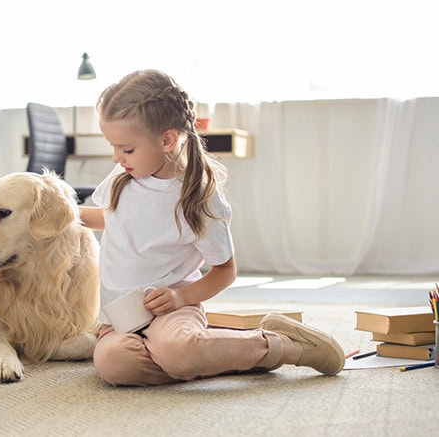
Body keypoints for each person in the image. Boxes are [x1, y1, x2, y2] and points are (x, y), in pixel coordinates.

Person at [79, 69, 345, 386]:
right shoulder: (124, 177)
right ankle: (213, 357)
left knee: (178, 351)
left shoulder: (198, 200)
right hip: (119, 319)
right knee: (115, 365)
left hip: (171, 313)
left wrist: (180, 298)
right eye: (113, 146)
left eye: (126, 148)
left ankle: (282, 346)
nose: (116, 157)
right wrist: (66, 214)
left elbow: (224, 271)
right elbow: (112, 219)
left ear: (167, 140)